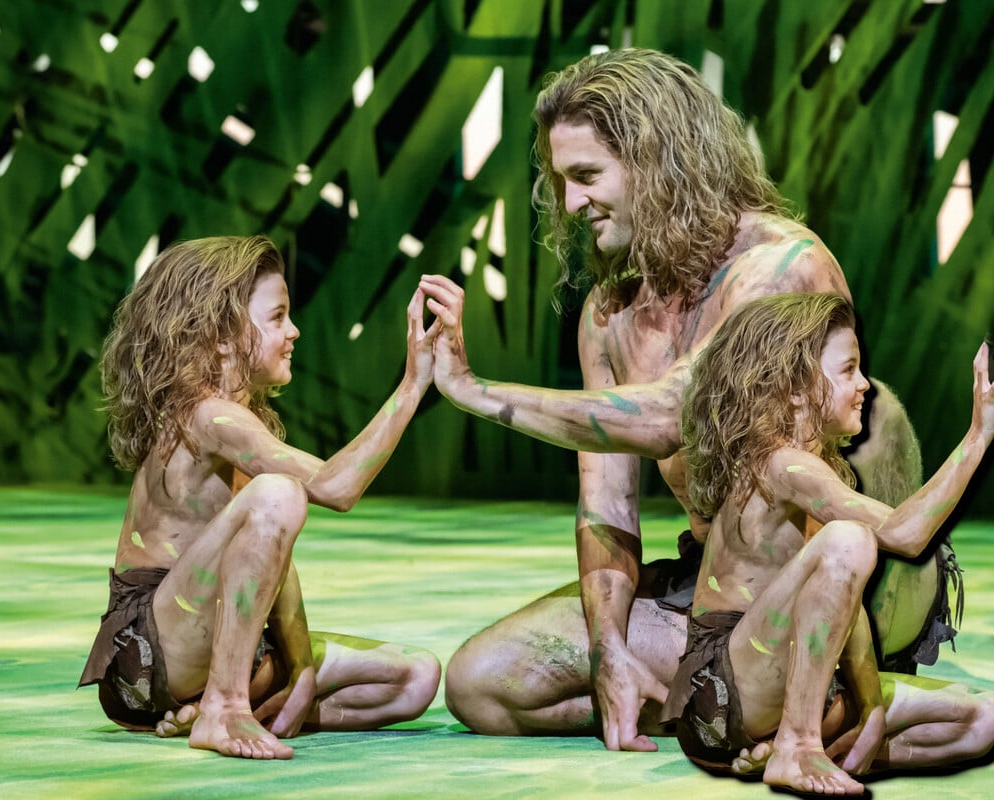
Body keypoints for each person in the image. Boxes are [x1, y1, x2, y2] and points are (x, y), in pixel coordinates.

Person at [419, 47, 955, 750]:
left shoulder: (780, 267)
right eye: (561, 181)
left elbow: (673, 415)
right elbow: (606, 505)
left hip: (845, 586)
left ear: (656, 161)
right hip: (719, 587)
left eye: (587, 177)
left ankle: (818, 700)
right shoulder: (609, 314)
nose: (571, 204)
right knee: (482, 683)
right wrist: (609, 651)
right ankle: (734, 705)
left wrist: (475, 391)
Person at [79, 235, 442, 760]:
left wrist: (301, 668)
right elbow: (336, 487)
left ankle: (216, 705)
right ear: (222, 337)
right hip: (152, 655)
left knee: (416, 677)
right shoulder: (207, 416)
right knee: (279, 494)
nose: (293, 331)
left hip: (216, 645)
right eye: (277, 318)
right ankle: (223, 707)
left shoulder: (239, 418)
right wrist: (412, 385)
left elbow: (274, 563)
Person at [662, 292, 994, 794]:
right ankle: (797, 745)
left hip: (777, 692)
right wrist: (977, 438)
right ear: (796, 389)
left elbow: (846, 611)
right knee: (850, 540)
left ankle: (801, 751)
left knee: (983, 720)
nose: (865, 385)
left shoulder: (814, 472)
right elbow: (905, 534)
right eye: (848, 370)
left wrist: (872, 709)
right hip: (724, 695)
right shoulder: (781, 464)